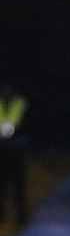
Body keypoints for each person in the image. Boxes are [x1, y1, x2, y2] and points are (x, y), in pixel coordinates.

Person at [0, 83, 28, 227]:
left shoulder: (19, 104)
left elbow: (23, 125)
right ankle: (3, 215)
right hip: (2, 150)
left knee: (18, 185)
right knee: (2, 184)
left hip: (15, 149)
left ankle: (21, 217)